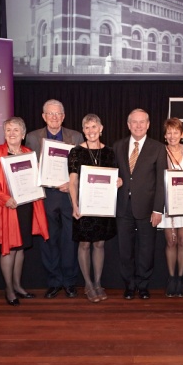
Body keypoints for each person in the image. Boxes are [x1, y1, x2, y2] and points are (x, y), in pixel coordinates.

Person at [0, 117, 50, 306]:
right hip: (6, 207)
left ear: (23, 134)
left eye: (16, 130)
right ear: (4, 133)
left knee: (20, 248)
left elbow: (33, 179)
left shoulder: (28, 153)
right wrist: (5, 199)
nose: (12, 133)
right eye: (8, 130)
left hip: (25, 206)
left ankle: (18, 286)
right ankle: (9, 289)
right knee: (8, 249)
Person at [25, 99, 84, 299]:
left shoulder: (75, 136)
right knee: (48, 241)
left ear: (64, 116)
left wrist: (73, 183)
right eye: (50, 114)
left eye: (58, 114)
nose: (54, 117)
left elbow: (82, 167)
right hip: (45, 196)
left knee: (69, 240)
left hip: (69, 195)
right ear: (43, 116)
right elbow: (27, 169)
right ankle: (53, 281)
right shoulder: (33, 138)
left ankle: (69, 281)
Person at [114, 108, 167, 300]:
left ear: (148, 124)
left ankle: (143, 285)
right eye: (134, 122)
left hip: (147, 208)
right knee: (125, 250)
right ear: (128, 125)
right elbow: (113, 174)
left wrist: (157, 209)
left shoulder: (158, 148)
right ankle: (129, 285)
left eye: (142, 122)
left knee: (146, 249)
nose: (138, 125)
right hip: (123, 207)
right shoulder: (118, 146)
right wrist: (115, 180)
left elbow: (161, 181)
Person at [68, 114, 122, 303]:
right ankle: (88, 284)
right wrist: (74, 204)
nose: (91, 131)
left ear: (101, 128)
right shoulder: (76, 152)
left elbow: (114, 177)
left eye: (94, 127)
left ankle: (98, 282)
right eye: (87, 127)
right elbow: (72, 182)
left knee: (99, 243)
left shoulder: (109, 152)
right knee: (84, 244)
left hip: (102, 206)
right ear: (83, 130)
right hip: (84, 206)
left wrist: (119, 181)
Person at [158, 118, 183, 297]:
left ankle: (181, 278)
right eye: (169, 132)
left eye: (176, 132)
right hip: (168, 204)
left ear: (182, 134)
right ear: (165, 135)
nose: (172, 136)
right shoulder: (160, 151)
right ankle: (171, 278)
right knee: (171, 242)